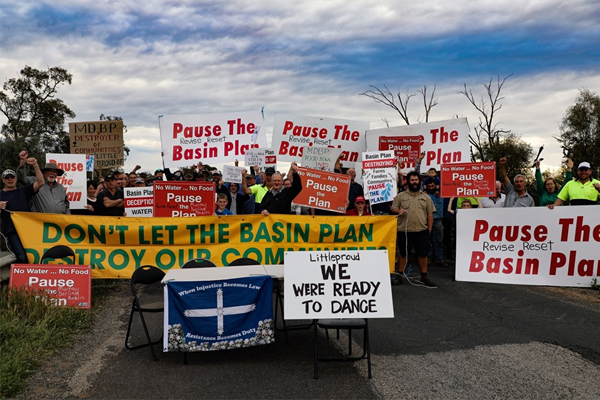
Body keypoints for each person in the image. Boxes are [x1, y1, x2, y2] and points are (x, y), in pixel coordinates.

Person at [390, 170, 437, 287]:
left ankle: (424, 276)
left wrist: (428, 230)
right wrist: (398, 210)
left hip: (421, 230)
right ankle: (399, 276)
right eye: (412, 180)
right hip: (404, 231)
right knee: (403, 254)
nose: (414, 182)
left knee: (422, 254)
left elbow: (430, 214)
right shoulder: (400, 196)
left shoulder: (426, 197)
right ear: (408, 182)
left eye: (416, 180)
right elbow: (393, 209)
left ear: (419, 181)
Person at [0, 160, 44, 263]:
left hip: (27, 229)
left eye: (12, 177)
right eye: (7, 178)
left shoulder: (24, 191)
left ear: (16, 178)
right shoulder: (1, 194)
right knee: (22, 257)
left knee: (33, 255)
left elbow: (41, 182)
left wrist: (35, 165)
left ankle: (33, 277)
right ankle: (21, 278)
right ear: (3, 180)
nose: (10, 180)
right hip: (12, 231)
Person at [424, 177, 447, 268]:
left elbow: (442, 181)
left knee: (438, 241)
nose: (431, 188)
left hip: (437, 220)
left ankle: (439, 259)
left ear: (436, 186)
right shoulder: (424, 195)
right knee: (427, 241)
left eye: (432, 186)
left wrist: (438, 189)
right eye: (429, 186)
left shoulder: (440, 194)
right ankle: (428, 259)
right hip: (426, 220)